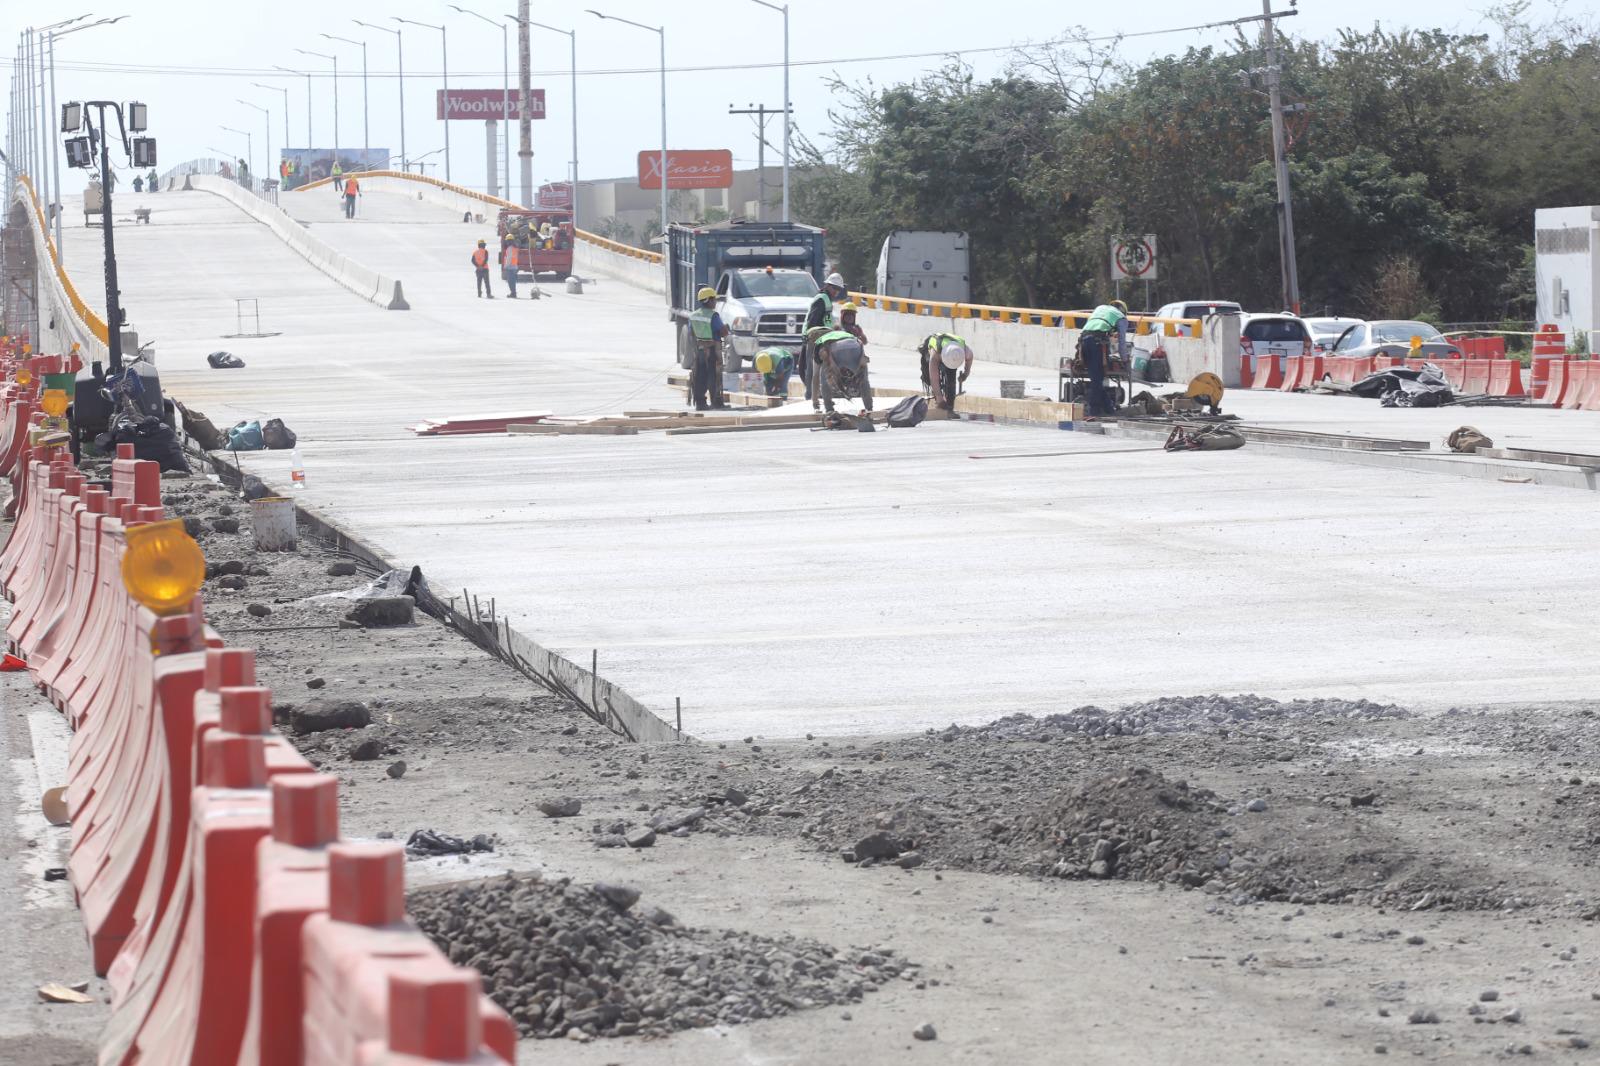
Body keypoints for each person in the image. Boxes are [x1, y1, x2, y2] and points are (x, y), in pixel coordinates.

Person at [1079, 299, 1130, 416]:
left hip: (1083, 342)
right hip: (1097, 344)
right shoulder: (1121, 318)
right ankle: (1094, 412)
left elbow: (1093, 327)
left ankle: (1109, 409)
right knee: (1097, 380)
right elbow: (1122, 342)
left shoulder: (1100, 308)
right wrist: (1125, 359)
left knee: (1095, 379)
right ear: (1123, 311)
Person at [802, 272, 847, 403]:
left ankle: (821, 396)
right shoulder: (821, 299)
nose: (836, 292)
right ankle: (810, 396)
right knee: (812, 368)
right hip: (815, 337)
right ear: (827, 286)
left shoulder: (826, 299)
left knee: (823, 368)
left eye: (839, 289)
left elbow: (825, 320)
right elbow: (813, 319)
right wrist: (813, 335)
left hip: (823, 337)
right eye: (835, 288)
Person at [688, 287, 730, 411]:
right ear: (709, 300)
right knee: (714, 376)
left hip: (700, 349)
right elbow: (723, 332)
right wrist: (726, 328)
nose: (715, 302)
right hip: (713, 350)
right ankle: (716, 402)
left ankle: (700, 402)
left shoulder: (693, 315)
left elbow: (691, 332)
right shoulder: (713, 316)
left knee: (700, 375)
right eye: (714, 299)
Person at [813, 330, 872, 415]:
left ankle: (829, 409)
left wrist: (815, 403)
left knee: (824, 381)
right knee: (863, 379)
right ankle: (869, 408)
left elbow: (815, 377)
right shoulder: (842, 333)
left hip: (833, 348)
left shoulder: (819, 343)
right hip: (855, 346)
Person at [918, 333, 973, 411]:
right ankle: (938, 399)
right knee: (927, 376)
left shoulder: (963, 351)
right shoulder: (935, 355)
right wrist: (940, 399)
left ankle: (950, 408)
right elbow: (934, 379)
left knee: (951, 378)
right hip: (935, 348)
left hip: (952, 353)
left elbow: (970, 358)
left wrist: (965, 374)